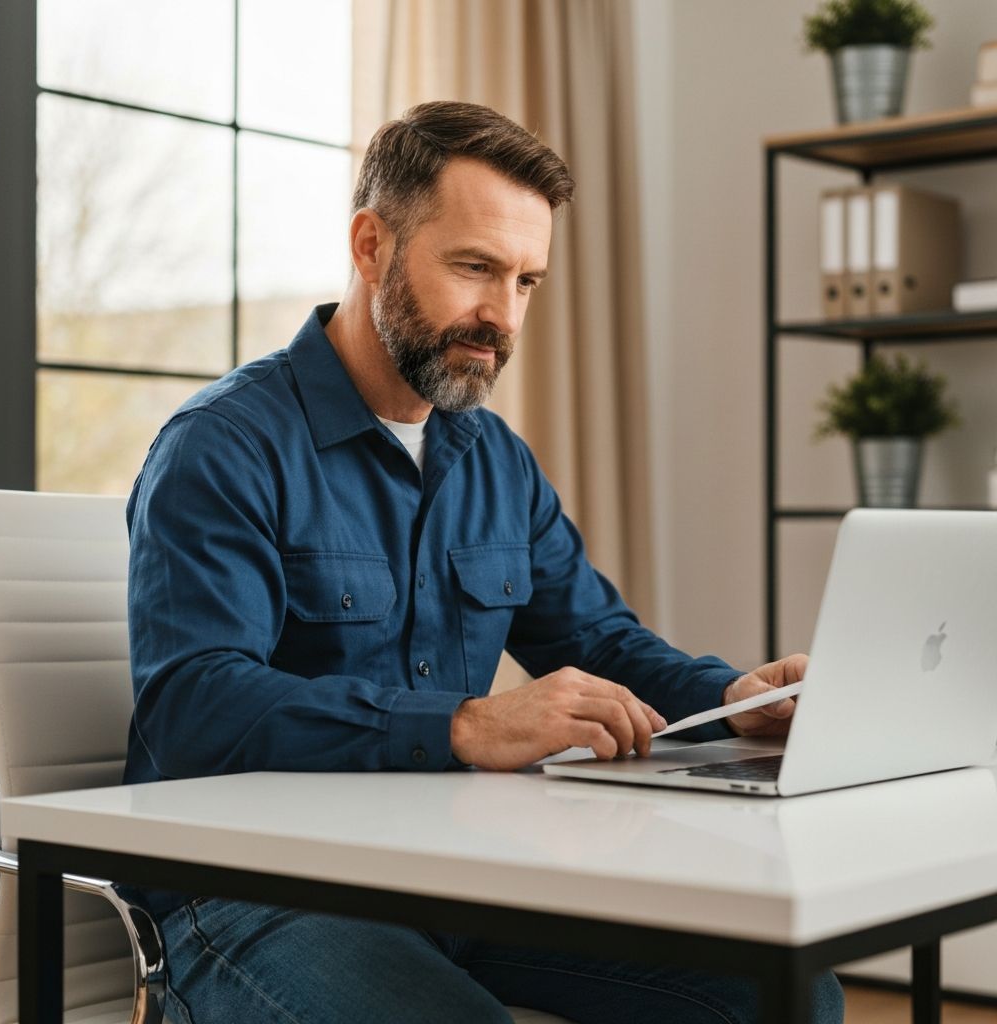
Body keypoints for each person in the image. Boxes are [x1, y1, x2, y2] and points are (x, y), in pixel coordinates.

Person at [125, 100, 843, 1024]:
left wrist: (737, 701)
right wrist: (460, 725)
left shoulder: (493, 458)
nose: (500, 316)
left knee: (783, 992)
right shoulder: (222, 446)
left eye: (526, 281)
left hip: (457, 873)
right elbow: (195, 706)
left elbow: (601, 642)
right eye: (474, 268)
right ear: (371, 244)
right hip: (246, 892)